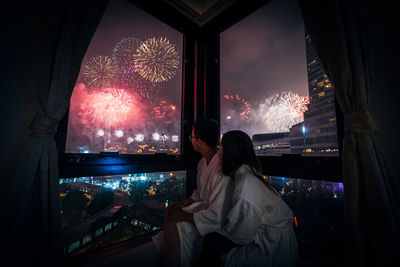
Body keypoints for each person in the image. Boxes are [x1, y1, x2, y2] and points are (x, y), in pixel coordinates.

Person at [198, 130, 298, 267]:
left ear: (230, 153)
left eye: (221, 148)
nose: (218, 153)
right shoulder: (249, 175)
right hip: (277, 241)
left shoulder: (247, 184)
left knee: (212, 245)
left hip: (273, 249)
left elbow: (242, 233)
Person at [152, 118, 233, 267]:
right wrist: (183, 204)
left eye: (192, 137)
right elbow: (200, 192)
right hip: (204, 210)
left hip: (215, 218)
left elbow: (218, 215)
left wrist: (182, 215)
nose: (191, 140)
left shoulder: (222, 168)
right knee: (172, 218)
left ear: (200, 140)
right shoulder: (202, 162)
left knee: (174, 225)